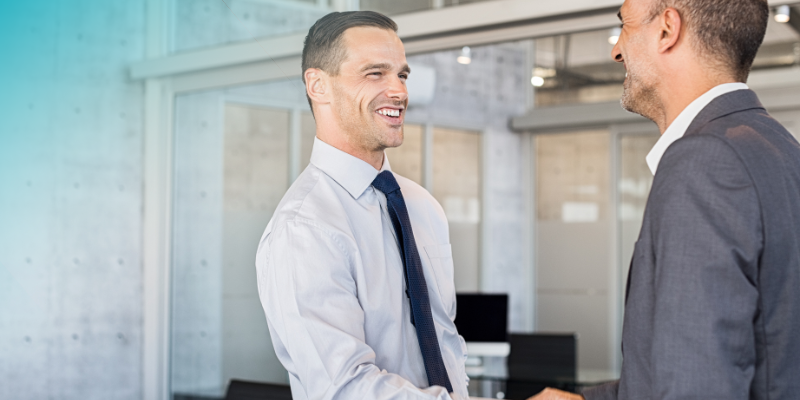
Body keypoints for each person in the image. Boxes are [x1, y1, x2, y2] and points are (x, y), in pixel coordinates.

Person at [530, 0, 800, 399]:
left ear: (667, 29)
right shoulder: (780, 148)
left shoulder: (704, 161)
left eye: (624, 25)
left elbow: (698, 385)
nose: (616, 49)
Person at [255, 11, 469, 400]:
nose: (400, 92)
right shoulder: (305, 228)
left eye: (401, 75)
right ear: (318, 85)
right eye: (375, 74)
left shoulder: (422, 207)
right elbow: (344, 387)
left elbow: (445, 340)